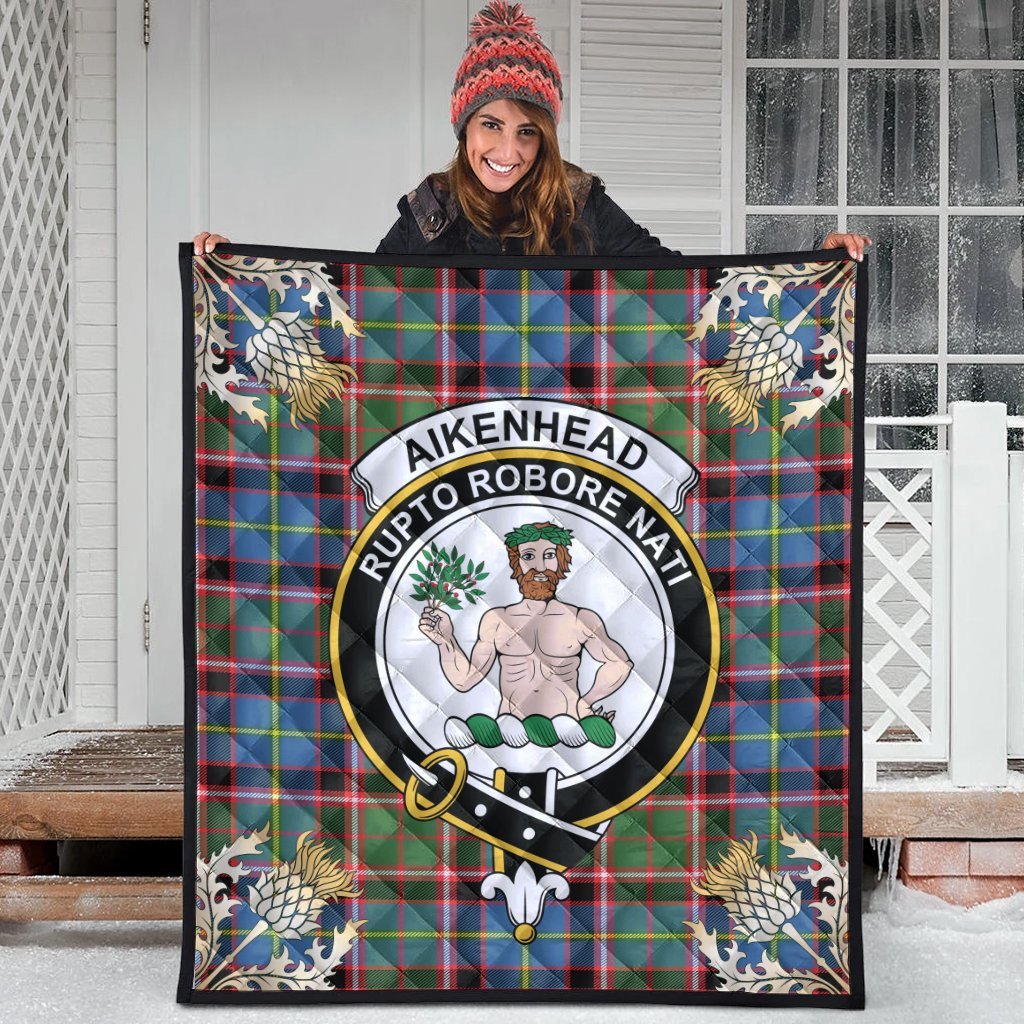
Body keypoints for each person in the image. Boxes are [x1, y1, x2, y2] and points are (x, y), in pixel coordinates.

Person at [193, 1, 870, 261]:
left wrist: (814, 265)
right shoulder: (429, 211)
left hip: (566, 435)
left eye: (527, 132)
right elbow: (356, 308)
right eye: (491, 125)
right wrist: (234, 270)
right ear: (464, 128)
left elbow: (685, 284)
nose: (507, 151)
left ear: (546, 138)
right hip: (458, 437)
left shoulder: (580, 203)